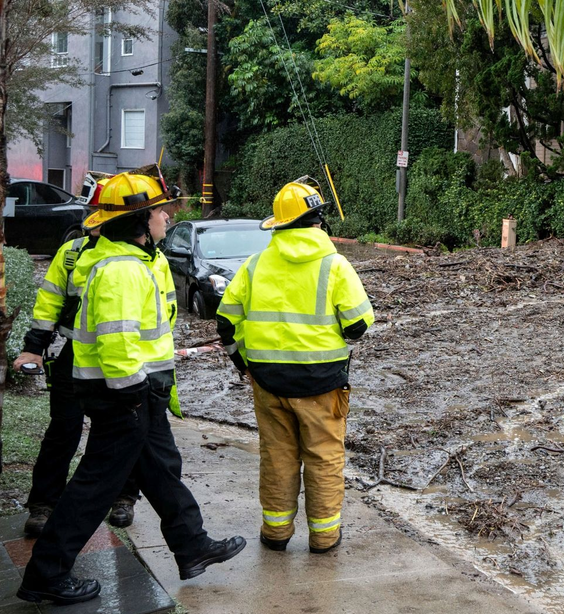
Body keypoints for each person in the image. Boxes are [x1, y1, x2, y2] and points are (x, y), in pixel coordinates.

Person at [18, 172, 245, 606]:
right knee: (96, 484)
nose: (167, 216)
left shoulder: (138, 259)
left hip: (139, 391)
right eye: (160, 210)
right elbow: (117, 340)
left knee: (161, 467)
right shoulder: (122, 269)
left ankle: (191, 542)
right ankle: (46, 574)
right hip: (124, 393)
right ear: (140, 220)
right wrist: (131, 394)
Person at [216, 177, 373, 554]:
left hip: (268, 383)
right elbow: (358, 326)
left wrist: (243, 363)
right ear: (318, 221)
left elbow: (225, 323)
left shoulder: (254, 266)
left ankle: (275, 534)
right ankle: (324, 538)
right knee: (324, 459)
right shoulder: (335, 265)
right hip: (323, 384)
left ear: (280, 223)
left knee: (277, 458)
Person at [14, 181, 142, 538]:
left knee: (119, 432)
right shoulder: (71, 254)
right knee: (64, 429)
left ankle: (123, 497)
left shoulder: (143, 257)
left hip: (120, 357)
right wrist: (34, 348)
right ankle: (43, 504)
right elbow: (48, 305)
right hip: (73, 353)